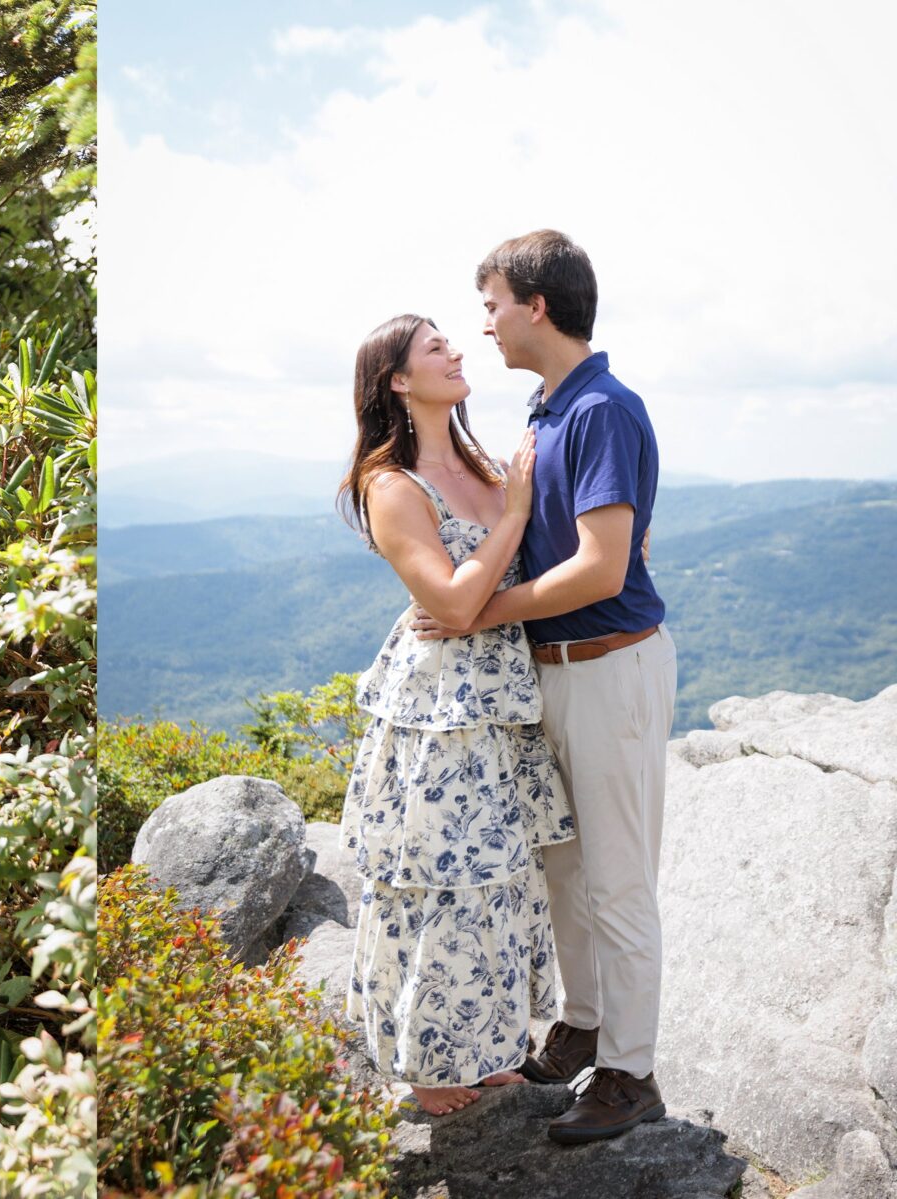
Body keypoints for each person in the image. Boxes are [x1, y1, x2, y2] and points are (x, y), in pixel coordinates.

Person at [412, 229, 677, 1144]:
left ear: (537, 305)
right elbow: (615, 537)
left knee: (617, 882)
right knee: (566, 868)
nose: (482, 323)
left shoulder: (601, 406)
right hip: (553, 674)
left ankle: (633, 1072)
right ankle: (583, 1020)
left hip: (609, 666)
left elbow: (605, 568)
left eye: (490, 304)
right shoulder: (546, 408)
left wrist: (479, 613)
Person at [338, 313, 575, 1117]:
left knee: (502, 878)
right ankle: (428, 1062)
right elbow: (451, 600)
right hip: (440, 705)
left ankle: (486, 1045)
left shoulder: (479, 458)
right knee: (441, 880)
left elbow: (516, 569)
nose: (457, 351)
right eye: (435, 347)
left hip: (502, 697)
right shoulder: (392, 484)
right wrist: (511, 515)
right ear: (398, 380)